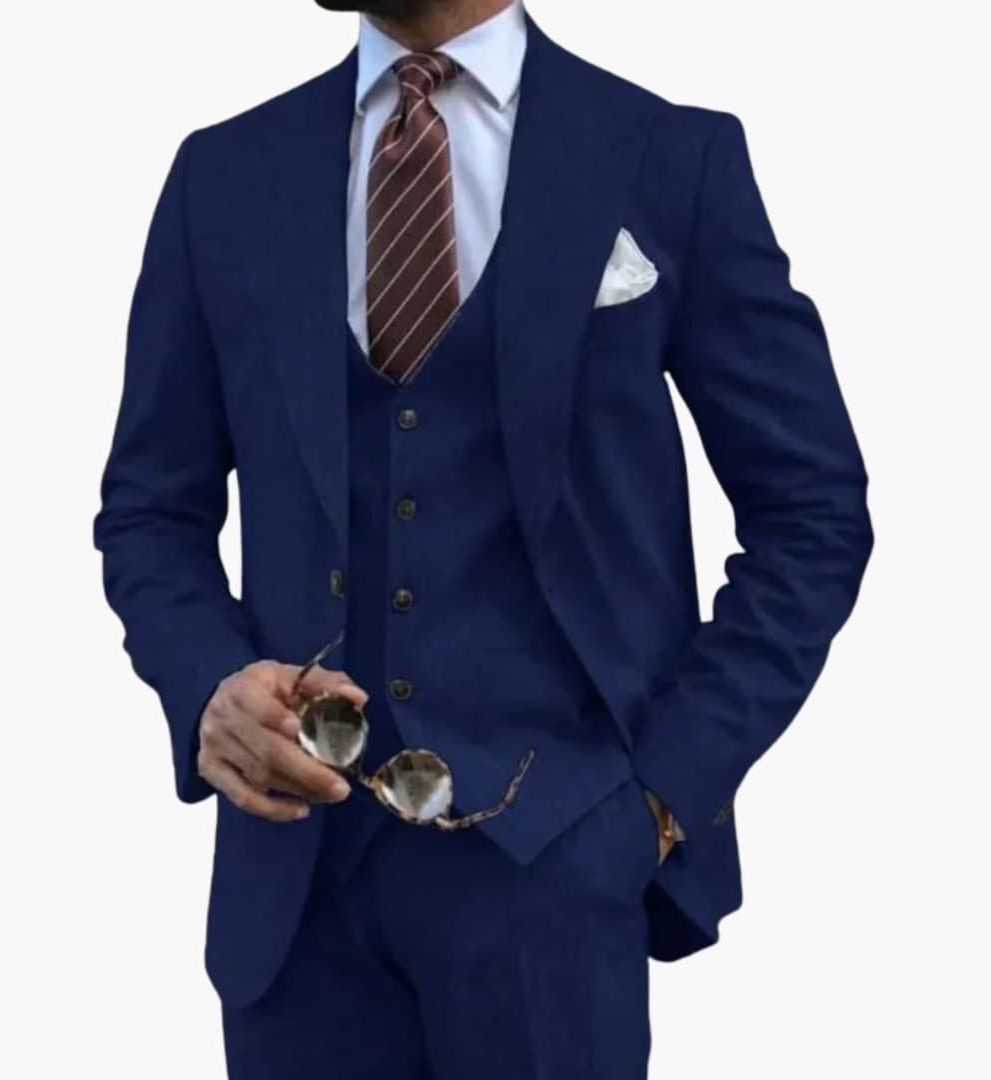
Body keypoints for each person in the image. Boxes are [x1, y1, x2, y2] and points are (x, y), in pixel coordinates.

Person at [92, 1, 873, 1075]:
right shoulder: (224, 175)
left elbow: (812, 509)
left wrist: (660, 796)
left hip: (558, 865)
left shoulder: (667, 156)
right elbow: (149, 509)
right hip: (296, 886)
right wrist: (209, 685)